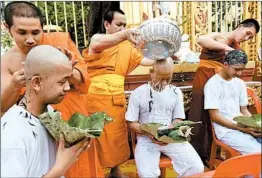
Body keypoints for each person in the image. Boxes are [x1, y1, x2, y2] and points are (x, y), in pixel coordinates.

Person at [1, 2, 104, 177]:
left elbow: (84, 84)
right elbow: (2, 107)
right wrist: (14, 85)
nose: (30, 39)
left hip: (71, 120)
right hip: (38, 128)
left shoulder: (60, 41)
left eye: (36, 32)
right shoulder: (6, 62)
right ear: (7, 27)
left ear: (42, 27)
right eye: (22, 33)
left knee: (82, 167)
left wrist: (66, 70)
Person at [82, 9, 154, 177]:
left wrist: (163, 54)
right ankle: (96, 172)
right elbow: (96, 44)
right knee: (98, 137)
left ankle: (115, 171)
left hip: (116, 98)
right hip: (96, 98)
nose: (122, 28)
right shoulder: (98, 39)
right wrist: (125, 34)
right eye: (118, 25)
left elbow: (143, 60)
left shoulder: (126, 47)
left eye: (125, 25)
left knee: (117, 136)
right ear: (107, 25)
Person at [1, 45, 90, 177]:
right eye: (62, 82)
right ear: (36, 83)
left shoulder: (48, 112)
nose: (67, 88)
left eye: (68, 81)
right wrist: (61, 167)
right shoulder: (13, 133)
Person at [188, 18, 260, 162]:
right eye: (247, 33)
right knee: (200, 116)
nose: (246, 38)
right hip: (206, 76)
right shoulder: (219, 37)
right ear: (240, 26)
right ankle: (197, 156)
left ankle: (214, 154)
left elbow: (243, 108)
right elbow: (200, 40)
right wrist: (227, 49)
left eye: (250, 37)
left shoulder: (237, 54)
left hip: (225, 79)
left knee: (222, 114)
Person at [125, 58, 204, 177]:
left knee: (196, 167)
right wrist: (149, 133)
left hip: (171, 139)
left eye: (168, 78)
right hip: (147, 140)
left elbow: (178, 119)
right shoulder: (138, 93)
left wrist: (172, 130)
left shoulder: (176, 92)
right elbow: (131, 123)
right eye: (161, 78)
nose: (165, 82)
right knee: (147, 174)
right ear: (151, 73)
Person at [204, 49, 261, 154]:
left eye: (242, 69)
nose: (239, 73)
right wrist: (243, 129)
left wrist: (255, 125)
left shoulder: (240, 83)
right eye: (236, 69)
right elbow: (215, 116)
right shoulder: (213, 84)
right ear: (225, 64)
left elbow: (244, 110)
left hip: (242, 126)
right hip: (226, 131)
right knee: (258, 153)